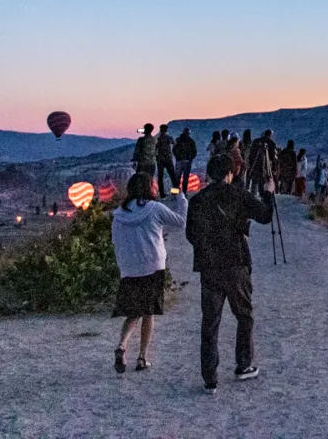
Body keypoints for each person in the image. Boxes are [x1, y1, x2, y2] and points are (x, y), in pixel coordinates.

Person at [185, 153, 273, 394]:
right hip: (236, 262)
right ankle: (243, 364)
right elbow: (265, 216)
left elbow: (190, 235)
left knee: (210, 322)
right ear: (230, 172)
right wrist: (268, 192)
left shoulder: (198, 200)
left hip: (209, 267)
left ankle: (210, 378)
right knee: (244, 315)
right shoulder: (238, 195)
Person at [111, 172, 188, 374]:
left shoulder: (119, 213)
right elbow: (180, 222)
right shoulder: (155, 208)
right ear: (148, 187)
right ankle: (142, 358)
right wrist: (181, 197)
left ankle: (122, 345)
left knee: (133, 311)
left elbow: (116, 241)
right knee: (148, 312)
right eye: (154, 184)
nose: (156, 187)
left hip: (129, 268)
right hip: (152, 266)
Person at [174, 127, 198, 194]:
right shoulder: (191, 141)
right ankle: (183, 192)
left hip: (181, 161)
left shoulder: (178, 140)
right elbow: (194, 152)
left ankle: (175, 193)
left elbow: (174, 150)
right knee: (184, 178)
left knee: (178, 177)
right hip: (186, 161)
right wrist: (190, 158)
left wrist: (178, 157)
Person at [154, 124, 176, 195]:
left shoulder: (157, 139)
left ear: (160, 130)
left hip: (160, 159)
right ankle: (175, 192)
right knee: (173, 176)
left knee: (160, 177)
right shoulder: (169, 138)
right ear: (166, 130)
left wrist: (156, 157)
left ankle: (162, 194)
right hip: (168, 159)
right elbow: (175, 144)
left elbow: (155, 149)